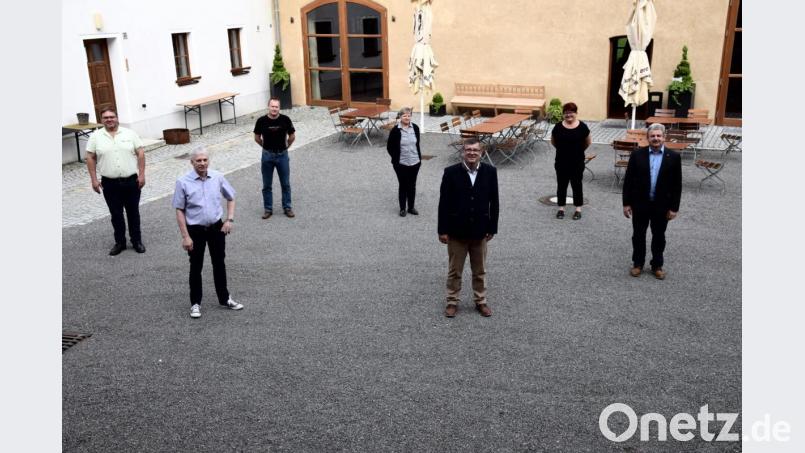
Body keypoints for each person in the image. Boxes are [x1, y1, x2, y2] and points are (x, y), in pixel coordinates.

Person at [172, 147, 244, 319]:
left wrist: (229, 219)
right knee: (195, 266)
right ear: (192, 162)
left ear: (208, 161)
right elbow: (179, 210)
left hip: (216, 228)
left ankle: (225, 298)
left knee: (219, 263)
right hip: (195, 230)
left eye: (205, 160)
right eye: (198, 160)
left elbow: (231, 197)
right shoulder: (183, 182)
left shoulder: (217, 177)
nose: (202, 163)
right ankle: (195, 303)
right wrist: (185, 236)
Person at [438, 137, 499, 318]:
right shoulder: (450, 173)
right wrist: (442, 230)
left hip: (480, 231)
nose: (471, 153)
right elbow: (444, 203)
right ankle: (452, 301)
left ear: (481, 152)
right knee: (454, 271)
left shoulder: (490, 172)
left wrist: (492, 227)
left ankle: (481, 301)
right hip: (457, 232)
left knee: (479, 271)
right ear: (463, 152)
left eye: (475, 150)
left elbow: (494, 202)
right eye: (468, 150)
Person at [622, 123, 682, 280]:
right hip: (640, 204)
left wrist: (674, 208)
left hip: (662, 206)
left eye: (658, 136)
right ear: (647, 138)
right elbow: (628, 181)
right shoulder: (637, 155)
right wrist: (626, 203)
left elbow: (677, 185)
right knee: (638, 235)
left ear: (664, 137)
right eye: (652, 136)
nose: (656, 138)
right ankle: (638, 264)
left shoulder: (674, 157)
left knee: (659, 236)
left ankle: (657, 265)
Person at [85, 107, 147, 255]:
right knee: (116, 214)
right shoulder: (95, 137)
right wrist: (94, 179)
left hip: (131, 181)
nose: (109, 120)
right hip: (110, 183)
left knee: (133, 213)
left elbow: (141, 153)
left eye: (111, 117)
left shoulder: (130, 133)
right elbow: (90, 157)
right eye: (105, 118)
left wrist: (142, 174)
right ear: (101, 120)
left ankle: (136, 241)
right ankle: (120, 243)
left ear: (117, 118)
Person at [254, 97, 296, 219]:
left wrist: (287, 146)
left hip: (282, 155)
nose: (274, 109)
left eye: (276, 107)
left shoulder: (285, 120)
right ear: (268, 107)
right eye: (272, 106)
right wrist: (265, 147)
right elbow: (257, 138)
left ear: (279, 108)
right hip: (267, 156)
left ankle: (287, 207)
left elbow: (292, 136)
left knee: (285, 183)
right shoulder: (261, 121)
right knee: (267, 184)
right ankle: (268, 209)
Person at [550, 102, 591, 220]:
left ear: (576, 113)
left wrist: (578, 151)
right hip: (561, 162)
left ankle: (578, 209)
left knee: (577, 185)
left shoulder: (582, 127)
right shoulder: (558, 127)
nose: (568, 115)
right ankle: (561, 208)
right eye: (566, 113)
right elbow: (553, 141)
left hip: (577, 162)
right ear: (563, 114)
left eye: (571, 112)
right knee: (561, 185)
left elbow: (588, 142)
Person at [386, 107, 422, 217]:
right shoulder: (395, 130)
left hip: (415, 162)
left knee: (412, 185)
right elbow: (389, 147)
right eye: (404, 116)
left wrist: (419, 159)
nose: (407, 117)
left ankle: (411, 207)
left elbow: (417, 143)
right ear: (400, 117)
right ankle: (402, 209)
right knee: (403, 185)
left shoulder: (415, 127)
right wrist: (396, 159)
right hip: (401, 164)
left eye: (409, 115)